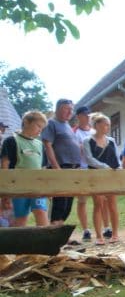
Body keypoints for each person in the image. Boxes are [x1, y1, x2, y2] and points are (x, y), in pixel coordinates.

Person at [0, 111, 49, 227]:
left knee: (41, 212)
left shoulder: (40, 145)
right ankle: (20, 243)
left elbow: (43, 168)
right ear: (26, 122)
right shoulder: (11, 141)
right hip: (18, 187)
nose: (40, 130)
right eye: (38, 126)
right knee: (20, 217)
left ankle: (44, 242)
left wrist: (47, 187)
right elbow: (5, 165)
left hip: (37, 187)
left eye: (42, 128)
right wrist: (5, 192)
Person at [41, 99, 82, 235]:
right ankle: (53, 233)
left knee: (68, 204)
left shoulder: (67, 126)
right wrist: (56, 167)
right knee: (59, 202)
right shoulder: (51, 124)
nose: (70, 112)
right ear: (58, 108)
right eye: (66, 109)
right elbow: (48, 145)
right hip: (61, 168)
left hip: (72, 169)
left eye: (71, 109)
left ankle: (59, 234)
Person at [84, 113, 121, 245]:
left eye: (108, 125)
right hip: (95, 175)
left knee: (112, 204)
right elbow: (89, 158)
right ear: (96, 125)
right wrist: (103, 166)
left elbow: (117, 157)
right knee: (98, 204)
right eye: (105, 124)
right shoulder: (88, 140)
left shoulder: (111, 141)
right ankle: (99, 236)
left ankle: (115, 234)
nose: (107, 127)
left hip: (110, 175)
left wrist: (118, 168)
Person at [73, 106, 95, 242]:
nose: (87, 117)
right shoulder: (74, 132)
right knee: (82, 200)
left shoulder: (94, 131)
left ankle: (105, 228)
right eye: (84, 115)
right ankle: (86, 229)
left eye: (89, 115)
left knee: (100, 200)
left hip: (95, 169)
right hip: (82, 168)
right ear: (78, 116)